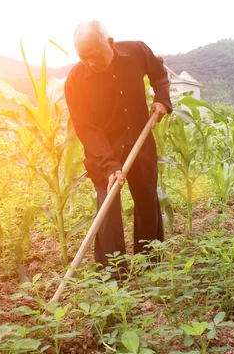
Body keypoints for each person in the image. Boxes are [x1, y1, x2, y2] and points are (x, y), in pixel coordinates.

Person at [64, 20, 172, 279]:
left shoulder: (135, 52)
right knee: (108, 211)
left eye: (95, 56)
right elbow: (87, 129)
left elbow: (159, 72)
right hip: (104, 152)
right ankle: (112, 276)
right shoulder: (76, 81)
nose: (90, 63)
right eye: (83, 58)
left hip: (139, 141)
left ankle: (150, 265)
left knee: (147, 201)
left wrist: (161, 99)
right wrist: (110, 165)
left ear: (109, 44)